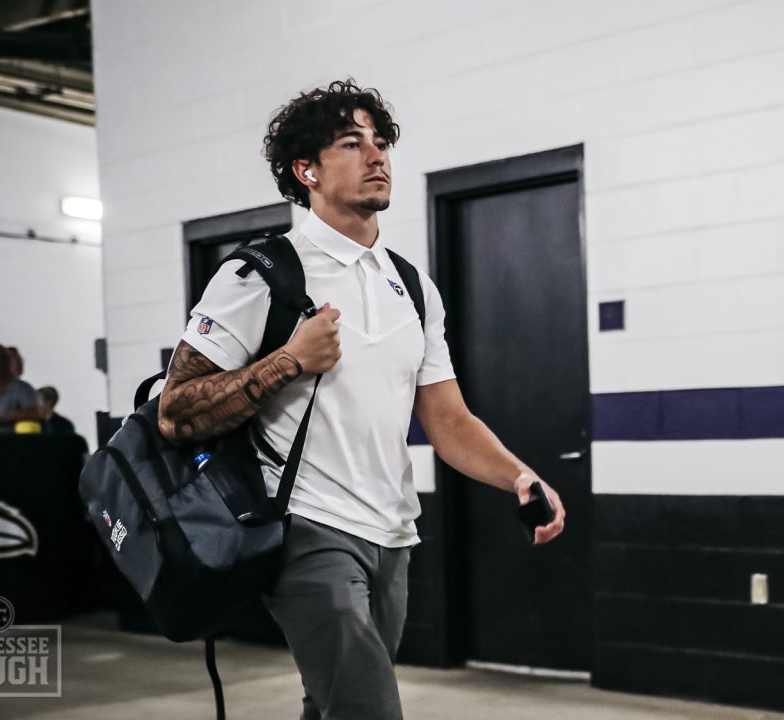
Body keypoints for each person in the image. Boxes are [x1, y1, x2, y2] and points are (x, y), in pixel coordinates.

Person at [156, 79, 565, 720]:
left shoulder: (412, 284)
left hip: (393, 533)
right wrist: (291, 360)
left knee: (334, 704)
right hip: (305, 529)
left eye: (380, 143)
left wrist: (516, 473)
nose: (377, 156)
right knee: (369, 709)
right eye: (352, 143)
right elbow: (175, 410)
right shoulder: (258, 274)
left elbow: (446, 417)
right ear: (307, 170)